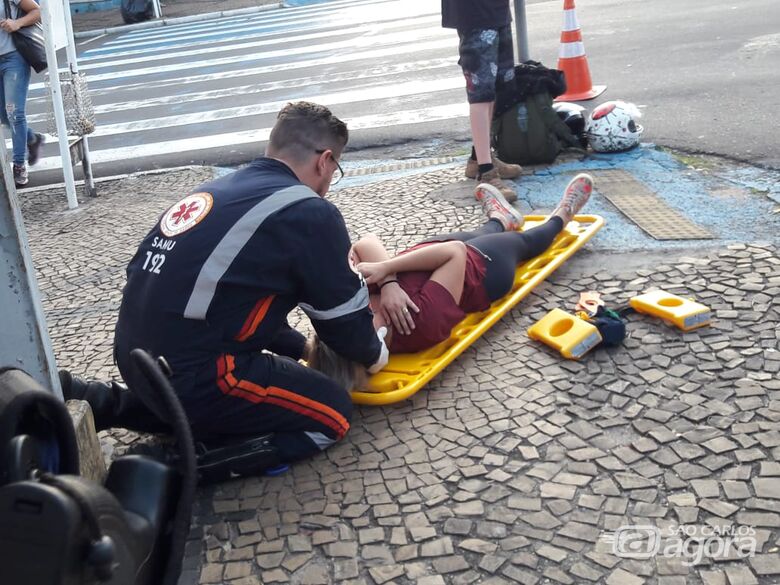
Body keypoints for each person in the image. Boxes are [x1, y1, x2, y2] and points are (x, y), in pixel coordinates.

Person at [61, 102, 397, 466]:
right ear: (325, 160)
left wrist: (300, 347)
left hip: (137, 358)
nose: (332, 179)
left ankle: (109, 403)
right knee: (330, 413)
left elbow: (235, 301)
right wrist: (375, 353)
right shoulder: (309, 211)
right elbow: (344, 324)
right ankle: (178, 465)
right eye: (337, 169)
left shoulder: (220, 189)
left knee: (205, 384)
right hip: (196, 376)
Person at [347, 173, 594, 356]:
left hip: (429, 254)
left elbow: (366, 243)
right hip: (482, 271)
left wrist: (389, 282)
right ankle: (564, 213)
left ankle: (500, 218)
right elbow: (456, 253)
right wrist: (386, 271)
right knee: (524, 242)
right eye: (366, 320)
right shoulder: (417, 323)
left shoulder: (355, 305)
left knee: (479, 232)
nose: (361, 312)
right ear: (379, 336)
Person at [442, 0, 522, 202]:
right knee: (480, 90)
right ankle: (486, 173)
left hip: (496, 10)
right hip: (474, 13)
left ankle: (479, 158)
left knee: (494, 86)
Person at [0, 0, 45, 187]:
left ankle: (19, 164)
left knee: (14, 113)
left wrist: (17, 23)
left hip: (13, 58)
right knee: (3, 115)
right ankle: (32, 139)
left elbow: (36, 11)